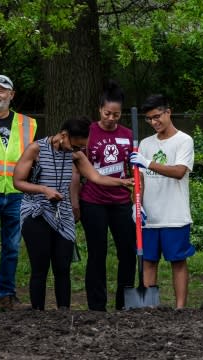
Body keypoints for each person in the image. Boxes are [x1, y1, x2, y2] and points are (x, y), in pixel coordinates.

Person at [13, 116, 133, 310]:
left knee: (63, 267)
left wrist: (123, 182)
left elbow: (96, 177)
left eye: (81, 147)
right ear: (64, 135)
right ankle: (37, 314)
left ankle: (64, 313)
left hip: (63, 216)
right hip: (37, 212)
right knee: (40, 268)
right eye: (75, 146)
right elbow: (17, 181)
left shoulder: (75, 155)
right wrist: (44, 190)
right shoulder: (36, 149)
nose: (77, 151)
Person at [0, 75, 36, 311]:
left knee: (11, 247)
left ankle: (5, 296)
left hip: (16, 193)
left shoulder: (28, 124)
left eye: (1, 91)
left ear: (12, 95)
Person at [129, 94, 195, 310]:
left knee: (177, 261)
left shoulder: (184, 141)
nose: (154, 122)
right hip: (151, 216)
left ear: (168, 112)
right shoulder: (146, 144)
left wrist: (147, 163)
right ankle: (149, 307)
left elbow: (179, 171)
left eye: (157, 116)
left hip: (175, 215)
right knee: (148, 261)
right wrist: (135, 205)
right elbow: (140, 182)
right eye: (149, 119)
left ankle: (180, 308)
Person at [77, 81, 136, 311]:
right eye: (107, 113)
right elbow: (78, 167)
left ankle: (124, 303)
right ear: (99, 109)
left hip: (121, 201)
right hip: (93, 201)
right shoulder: (89, 132)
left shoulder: (128, 134)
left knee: (128, 253)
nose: (112, 118)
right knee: (97, 253)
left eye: (117, 114)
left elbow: (133, 169)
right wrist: (75, 200)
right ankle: (97, 306)